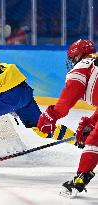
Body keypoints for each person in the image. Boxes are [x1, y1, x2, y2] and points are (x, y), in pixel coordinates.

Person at [37, 39, 98, 197]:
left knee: (94, 142)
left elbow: (70, 96)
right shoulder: (94, 63)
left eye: (73, 58)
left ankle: (81, 179)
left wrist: (52, 114)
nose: (72, 62)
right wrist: (92, 123)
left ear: (78, 56)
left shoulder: (83, 66)